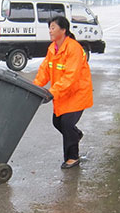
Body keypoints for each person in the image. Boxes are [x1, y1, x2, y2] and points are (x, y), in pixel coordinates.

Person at [33, 16, 93, 169]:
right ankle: (75, 135)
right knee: (57, 122)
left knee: (66, 123)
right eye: (50, 28)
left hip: (77, 94)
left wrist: (52, 92)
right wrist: (34, 87)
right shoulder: (52, 48)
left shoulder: (74, 49)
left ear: (63, 30)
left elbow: (70, 76)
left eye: (53, 27)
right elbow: (44, 70)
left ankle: (72, 158)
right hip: (62, 94)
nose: (50, 31)